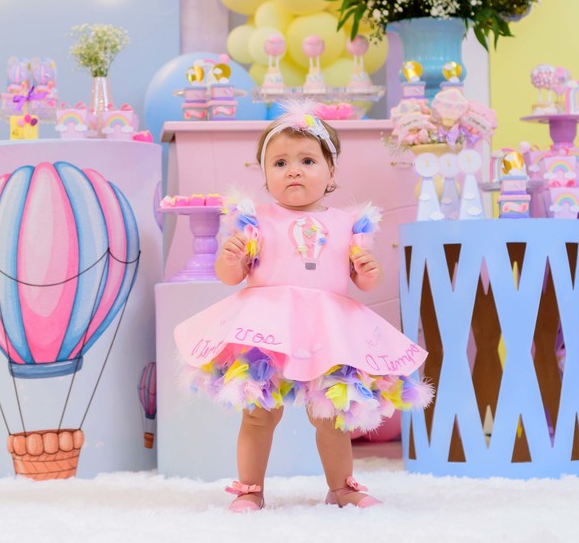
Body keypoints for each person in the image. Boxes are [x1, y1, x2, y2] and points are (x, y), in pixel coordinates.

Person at [174, 102, 433, 512]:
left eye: (307, 161)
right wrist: (230, 257)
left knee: (331, 415)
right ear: (265, 175)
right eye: (280, 163)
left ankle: (342, 487)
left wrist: (369, 270)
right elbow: (231, 276)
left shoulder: (347, 223)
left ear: (331, 172)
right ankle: (250, 489)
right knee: (259, 413)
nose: (293, 170)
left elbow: (364, 281)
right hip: (266, 331)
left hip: (328, 332)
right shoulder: (257, 220)